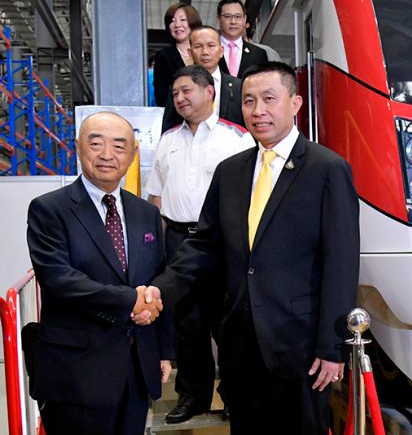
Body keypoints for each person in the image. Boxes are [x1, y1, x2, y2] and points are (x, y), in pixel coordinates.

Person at [144, 62, 360, 435]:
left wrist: (332, 346)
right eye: (248, 101)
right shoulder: (231, 171)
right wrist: (160, 290)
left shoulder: (327, 169)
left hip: (301, 347)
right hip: (240, 345)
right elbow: (204, 244)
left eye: (268, 99)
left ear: (295, 103)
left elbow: (341, 262)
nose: (258, 110)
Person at [26, 112, 173, 435]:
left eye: (119, 146)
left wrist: (162, 351)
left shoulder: (146, 213)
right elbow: (59, 279)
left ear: (133, 154)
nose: (107, 155)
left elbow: (157, 278)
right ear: (78, 147)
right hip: (77, 371)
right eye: (96, 144)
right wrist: (131, 301)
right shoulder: (49, 209)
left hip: (135, 366)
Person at [145, 65, 254, 424]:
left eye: (186, 90)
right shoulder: (168, 140)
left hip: (222, 241)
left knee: (229, 323)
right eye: (175, 93)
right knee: (187, 324)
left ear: (209, 92)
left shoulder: (236, 138)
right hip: (178, 240)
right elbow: (156, 196)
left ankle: (236, 395)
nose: (180, 98)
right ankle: (192, 397)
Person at [162, 25, 245, 132]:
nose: (205, 52)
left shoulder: (239, 86)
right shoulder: (179, 88)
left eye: (211, 45)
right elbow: (169, 127)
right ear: (190, 53)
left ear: (221, 51)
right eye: (198, 46)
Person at [153, 2, 202, 111]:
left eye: (183, 20)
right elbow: (161, 96)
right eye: (172, 21)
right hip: (176, 114)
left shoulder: (205, 51)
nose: (177, 25)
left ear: (193, 22)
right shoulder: (163, 56)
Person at [217, 0, 268, 78]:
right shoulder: (210, 51)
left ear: (245, 19)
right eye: (227, 16)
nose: (233, 22)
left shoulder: (258, 53)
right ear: (218, 19)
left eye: (238, 17)